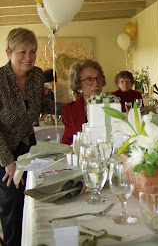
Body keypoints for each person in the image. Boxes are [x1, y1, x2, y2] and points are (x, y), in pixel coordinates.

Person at [0, 28, 56, 245]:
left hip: (28, 146)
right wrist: (7, 161)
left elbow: (43, 107)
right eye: (22, 52)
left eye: (32, 51)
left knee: (32, 200)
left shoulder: (36, 76)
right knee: (11, 206)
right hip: (5, 150)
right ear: (8, 52)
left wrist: (76, 105)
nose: (28, 57)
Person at [61, 59, 105, 145]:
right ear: (79, 84)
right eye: (89, 80)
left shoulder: (112, 106)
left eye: (98, 78)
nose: (95, 83)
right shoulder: (70, 110)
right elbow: (68, 141)